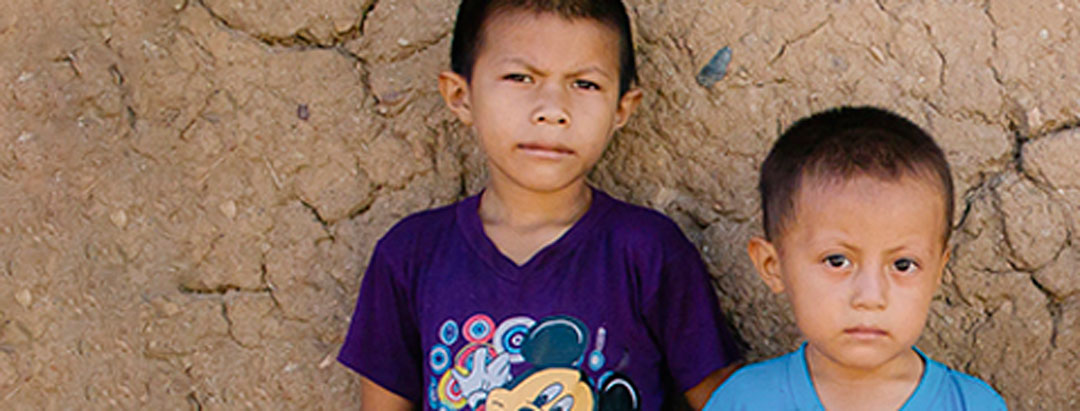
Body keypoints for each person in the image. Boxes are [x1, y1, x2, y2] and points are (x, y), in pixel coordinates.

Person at [338, 1, 740, 410]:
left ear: (622, 108)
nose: (552, 110)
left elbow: (724, 402)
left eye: (585, 84)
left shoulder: (648, 251)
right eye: (520, 77)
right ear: (461, 96)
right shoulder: (411, 256)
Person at [705, 106, 1006, 410]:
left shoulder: (973, 405)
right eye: (837, 261)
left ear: (938, 271)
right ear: (773, 266)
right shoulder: (743, 401)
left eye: (903, 265)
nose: (870, 297)